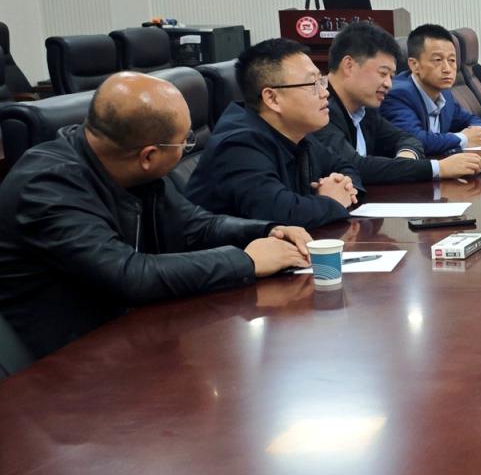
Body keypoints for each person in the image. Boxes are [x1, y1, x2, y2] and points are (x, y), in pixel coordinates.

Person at [0, 72, 312, 358]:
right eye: (185, 141)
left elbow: (195, 226)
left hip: (130, 335)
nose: (187, 147)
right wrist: (246, 261)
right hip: (62, 364)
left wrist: (267, 230)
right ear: (148, 155)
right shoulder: (46, 187)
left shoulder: (128, 165)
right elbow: (127, 274)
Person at [187, 38, 364, 228]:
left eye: (321, 81)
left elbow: (345, 166)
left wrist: (345, 187)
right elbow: (281, 214)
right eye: (312, 84)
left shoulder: (295, 131)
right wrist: (332, 201)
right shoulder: (238, 146)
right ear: (272, 98)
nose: (325, 93)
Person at [316, 22, 481, 184]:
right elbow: (355, 166)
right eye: (383, 74)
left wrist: (406, 160)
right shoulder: (320, 108)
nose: (389, 84)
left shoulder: (365, 109)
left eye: (391, 76)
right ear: (349, 66)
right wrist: (438, 168)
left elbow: (408, 139)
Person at [379, 24, 481, 157]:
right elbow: (414, 140)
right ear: (414, 65)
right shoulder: (397, 94)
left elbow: (470, 118)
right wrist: (463, 138)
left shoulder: (444, 93)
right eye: (438, 60)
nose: (447, 69)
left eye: (452, 60)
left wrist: (478, 132)